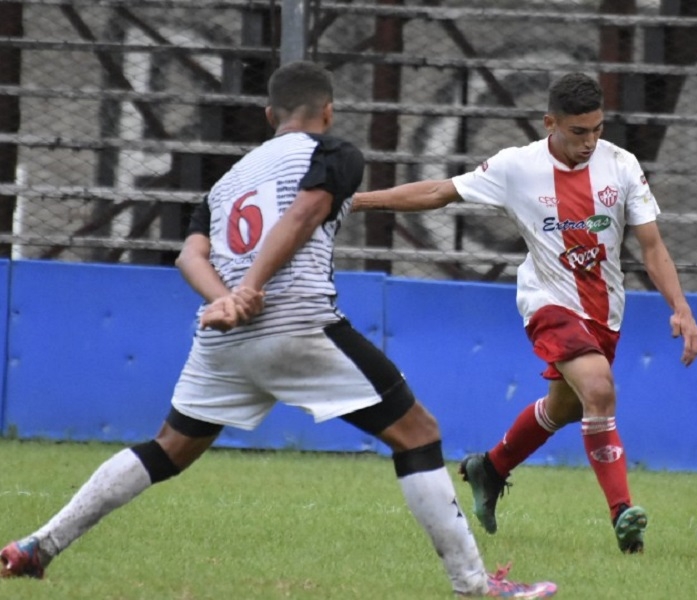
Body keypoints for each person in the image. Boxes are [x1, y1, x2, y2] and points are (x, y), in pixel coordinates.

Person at [0, 60, 557, 598]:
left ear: (270, 115)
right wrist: (247, 291)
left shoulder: (227, 183)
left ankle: (39, 546)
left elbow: (190, 255)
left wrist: (225, 300)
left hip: (223, 339)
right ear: (328, 111)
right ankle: (475, 587)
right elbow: (303, 214)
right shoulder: (333, 154)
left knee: (168, 449)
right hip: (295, 323)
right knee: (418, 433)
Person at [351, 72, 697, 554]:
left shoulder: (622, 165)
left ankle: (491, 467)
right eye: (578, 131)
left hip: (604, 310)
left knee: (566, 407)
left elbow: (652, 245)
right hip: (547, 301)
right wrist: (355, 201)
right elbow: (438, 192)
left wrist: (681, 308)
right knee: (599, 388)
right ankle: (623, 514)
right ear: (550, 123)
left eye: (597, 129)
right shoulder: (516, 167)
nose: (590, 142)